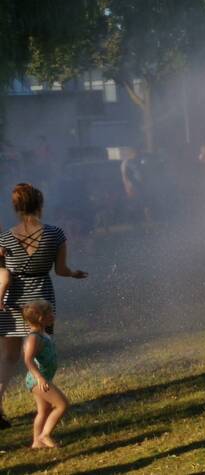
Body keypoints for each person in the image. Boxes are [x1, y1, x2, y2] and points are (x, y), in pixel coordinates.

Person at [0, 183, 87, 429]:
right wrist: (74, 273)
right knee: (42, 355)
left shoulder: (5, 238)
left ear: (16, 207)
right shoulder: (55, 234)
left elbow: (3, 272)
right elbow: (60, 270)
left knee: (8, 357)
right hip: (41, 300)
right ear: (40, 205)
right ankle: (45, 406)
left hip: (13, 301)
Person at [20, 300, 67, 449]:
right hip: (38, 380)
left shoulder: (43, 334)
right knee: (62, 405)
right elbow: (28, 360)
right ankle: (45, 435)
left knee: (44, 410)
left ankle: (36, 442)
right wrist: (40, 378)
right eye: (50, 313)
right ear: (41, 318)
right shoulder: (34, 337)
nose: (53, 315)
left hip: (41, 378)